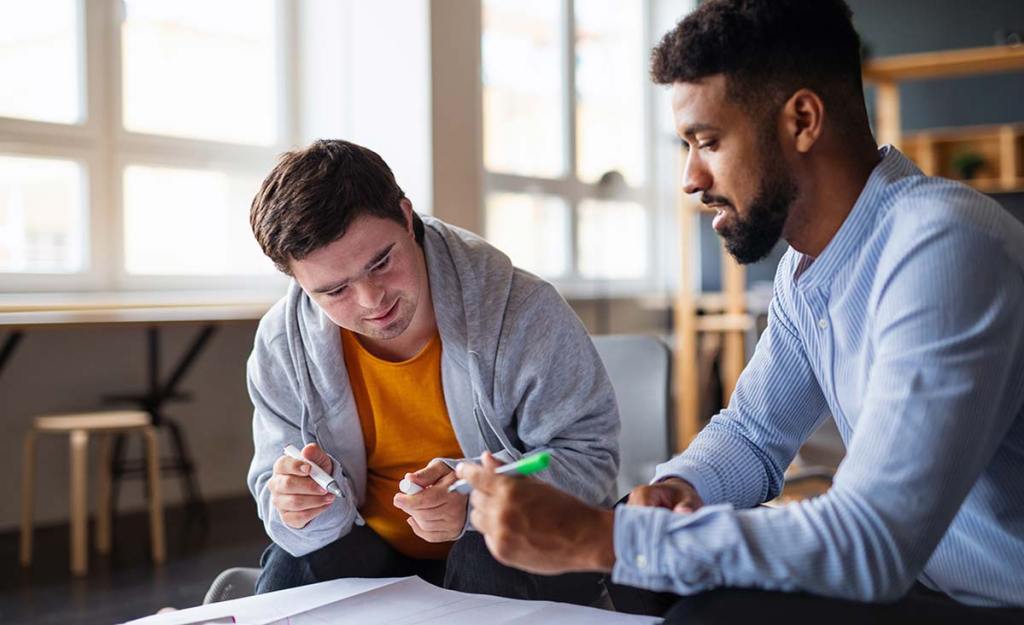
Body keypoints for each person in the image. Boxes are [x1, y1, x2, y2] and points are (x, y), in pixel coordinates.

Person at [456, 1, 1024, 622]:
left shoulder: (942, 246)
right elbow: (753, 436)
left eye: (708, 141)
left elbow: (872, 542)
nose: (690, 178)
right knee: (661, 577)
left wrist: (600, 537)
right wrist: (680, 488)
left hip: (995, 599)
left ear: (802, 120)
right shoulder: (807, 271)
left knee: (702, 605)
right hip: (924, 584)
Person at [244, 139, 618, 605]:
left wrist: (476, 501)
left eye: (381, 262)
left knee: (489, 550)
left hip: (511, 549)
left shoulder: (522, 310)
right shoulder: (284, 342)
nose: (372, 300)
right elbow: (273, 485)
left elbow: (591, 461)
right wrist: (299, 506)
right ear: (299, 283)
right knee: (293, 565)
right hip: (377, 551)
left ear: (406, 216)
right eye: (334, 290)